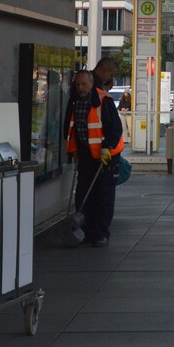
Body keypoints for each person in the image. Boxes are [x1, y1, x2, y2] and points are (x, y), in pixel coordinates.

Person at [66, 59, 124, 248]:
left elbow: (115, 129)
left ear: (92, 83)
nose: (81, 88)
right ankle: (88, 230)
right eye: (78, 85)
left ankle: (101, 233)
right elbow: (71, 127)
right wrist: (73, 150)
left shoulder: (102, 100)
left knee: (104, 196)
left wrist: (107, 147)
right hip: (86, 155)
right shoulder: (75, 101)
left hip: (105, 157)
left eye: (84, 84)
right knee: (84, 195)